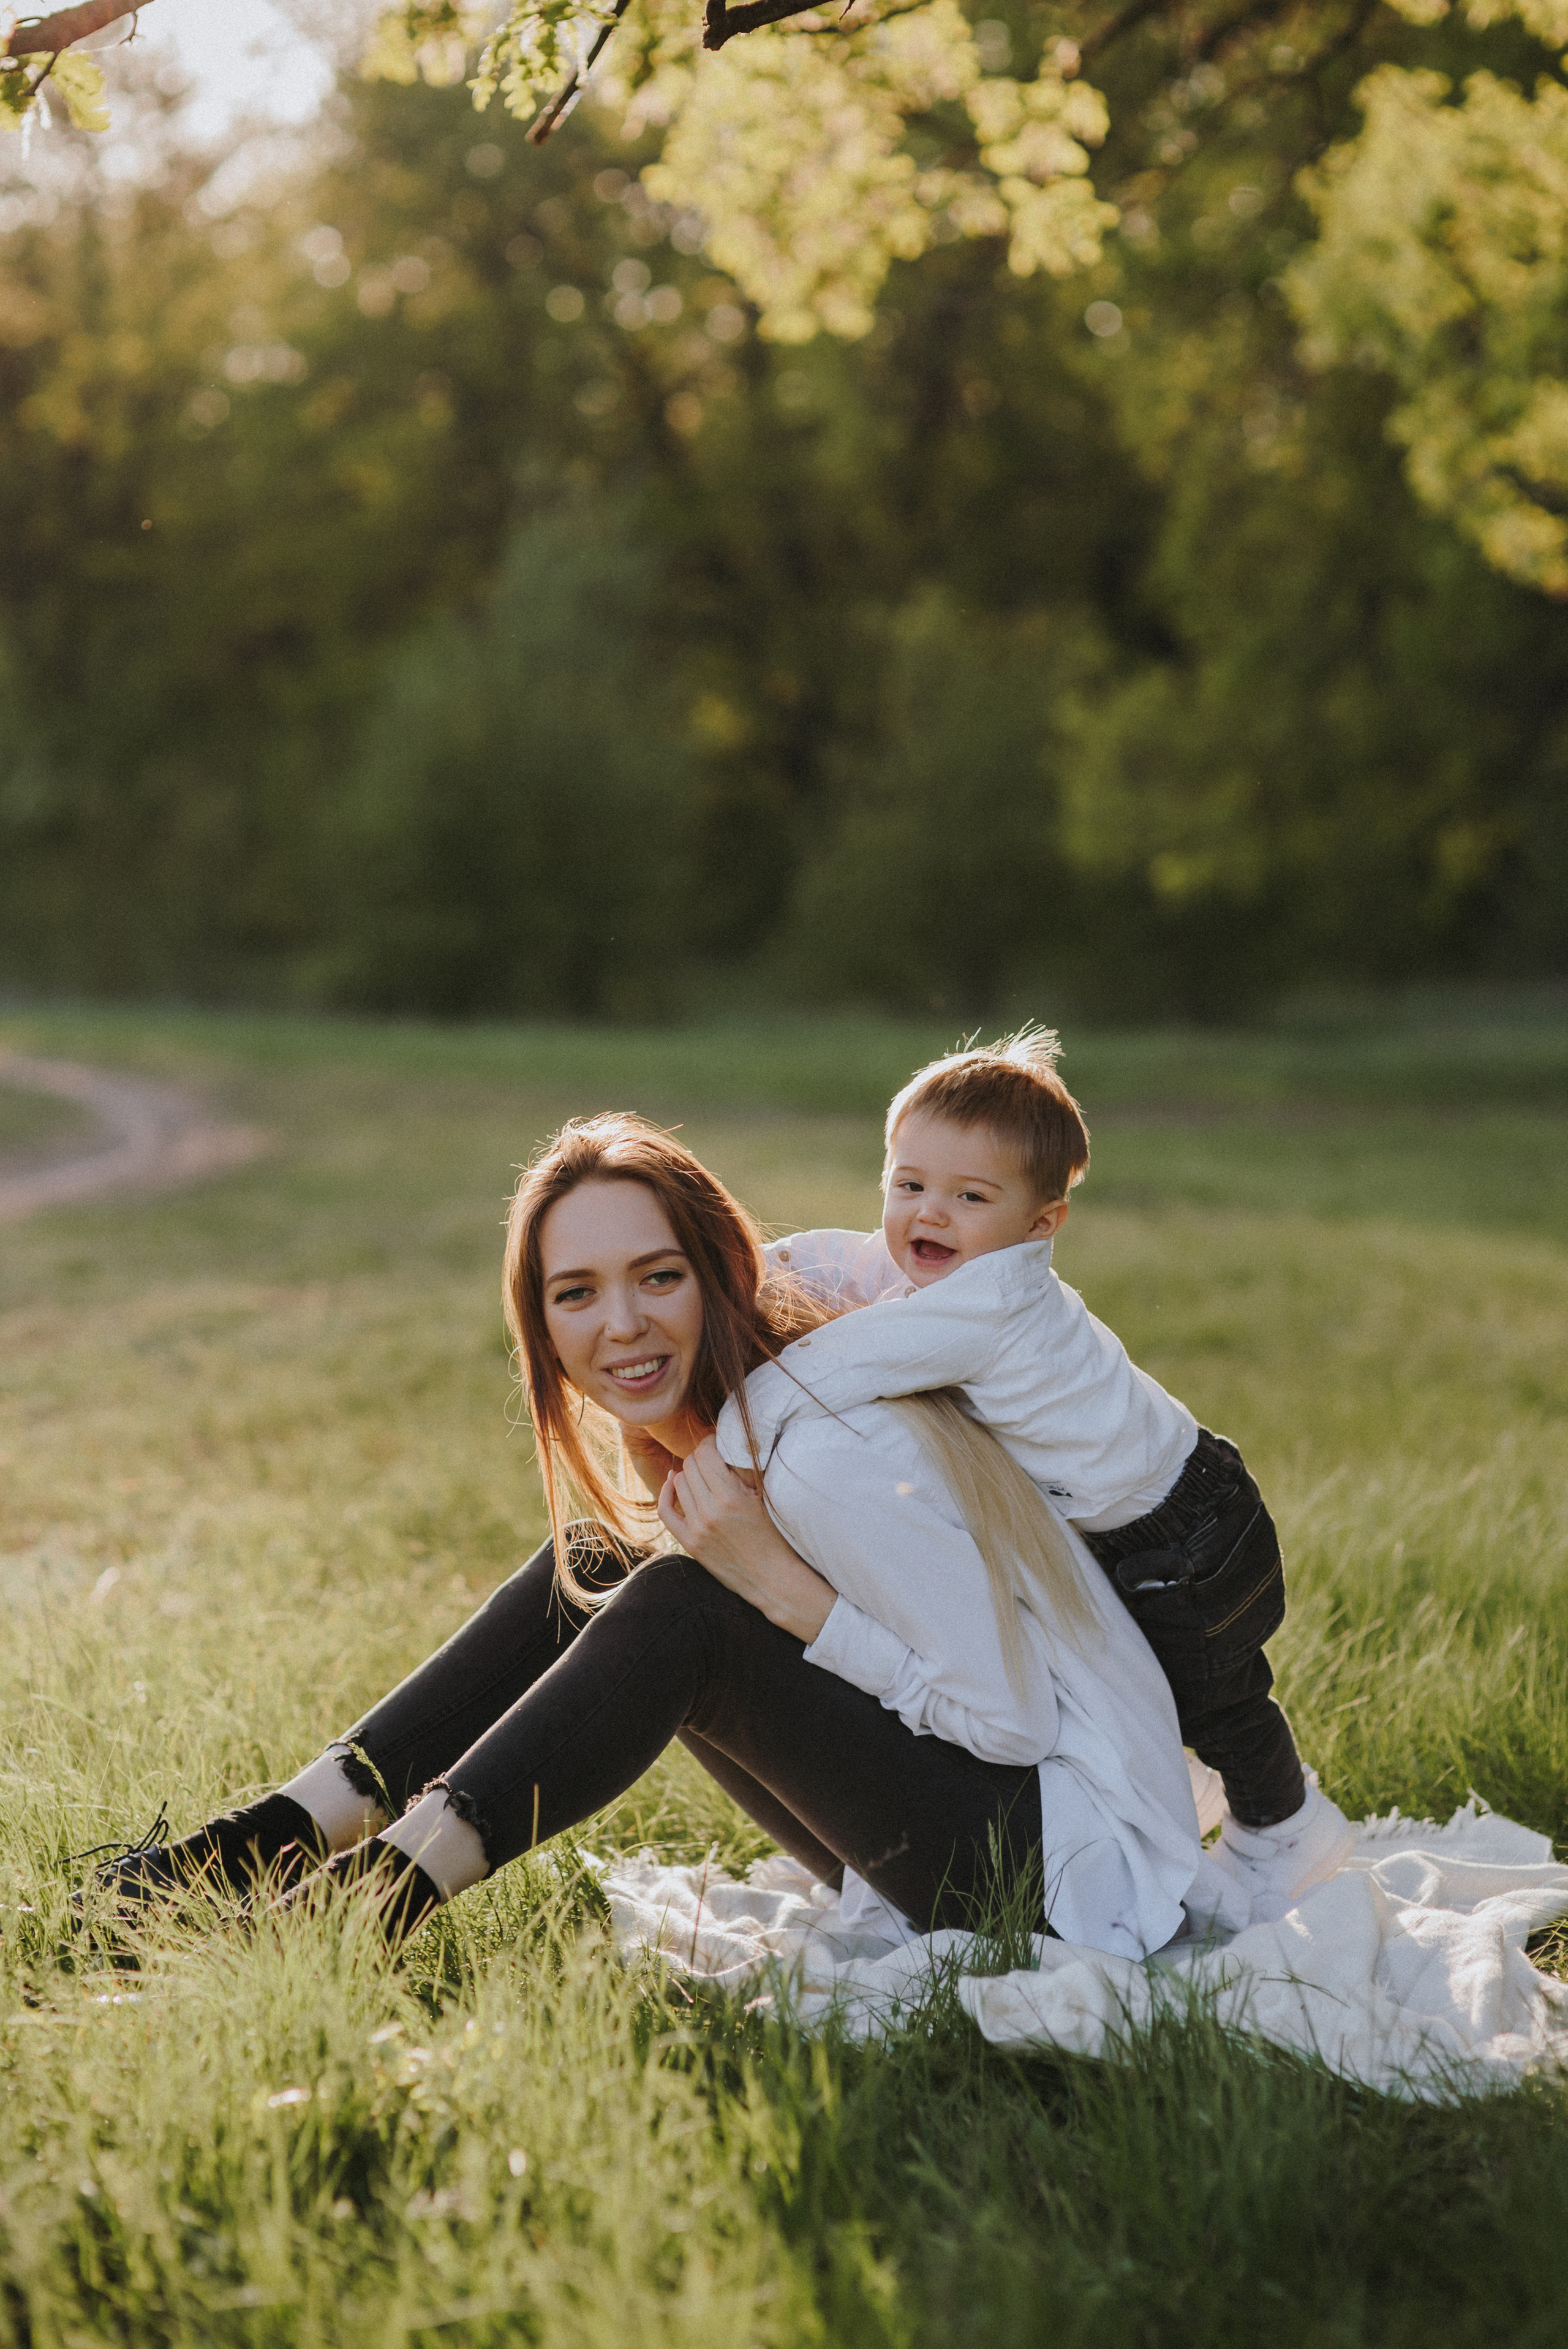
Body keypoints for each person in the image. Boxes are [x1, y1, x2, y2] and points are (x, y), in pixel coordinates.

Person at [83, 1114, 1223, 1961]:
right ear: (541, 1323)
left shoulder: (826, 1446)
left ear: (720, 1273)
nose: (620, 1323)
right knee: (605, 1556)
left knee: (685, 1606)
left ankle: (368, 1906)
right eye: (575, 1293)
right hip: (954, 1826)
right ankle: (269, 1839)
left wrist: (783, 1591)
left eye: (657, 1277)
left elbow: (1014, 1720)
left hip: (1059, 1872)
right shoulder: (732, 1423)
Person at [717, 1028, 1355, 1925]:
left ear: (1039, 1224)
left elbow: (835, 1364)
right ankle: (1227, 1807)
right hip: (1161, 1508)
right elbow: (855, 1258)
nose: (927, 1215)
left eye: (969, 1196)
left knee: (1222, 1699)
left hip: (1182, 1531)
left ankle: (1286, 1833)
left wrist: (731, 1441)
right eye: (909, 1186)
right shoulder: (957, 1275)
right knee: (1174, 1685)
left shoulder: (988, 1303)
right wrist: (771, 1267)